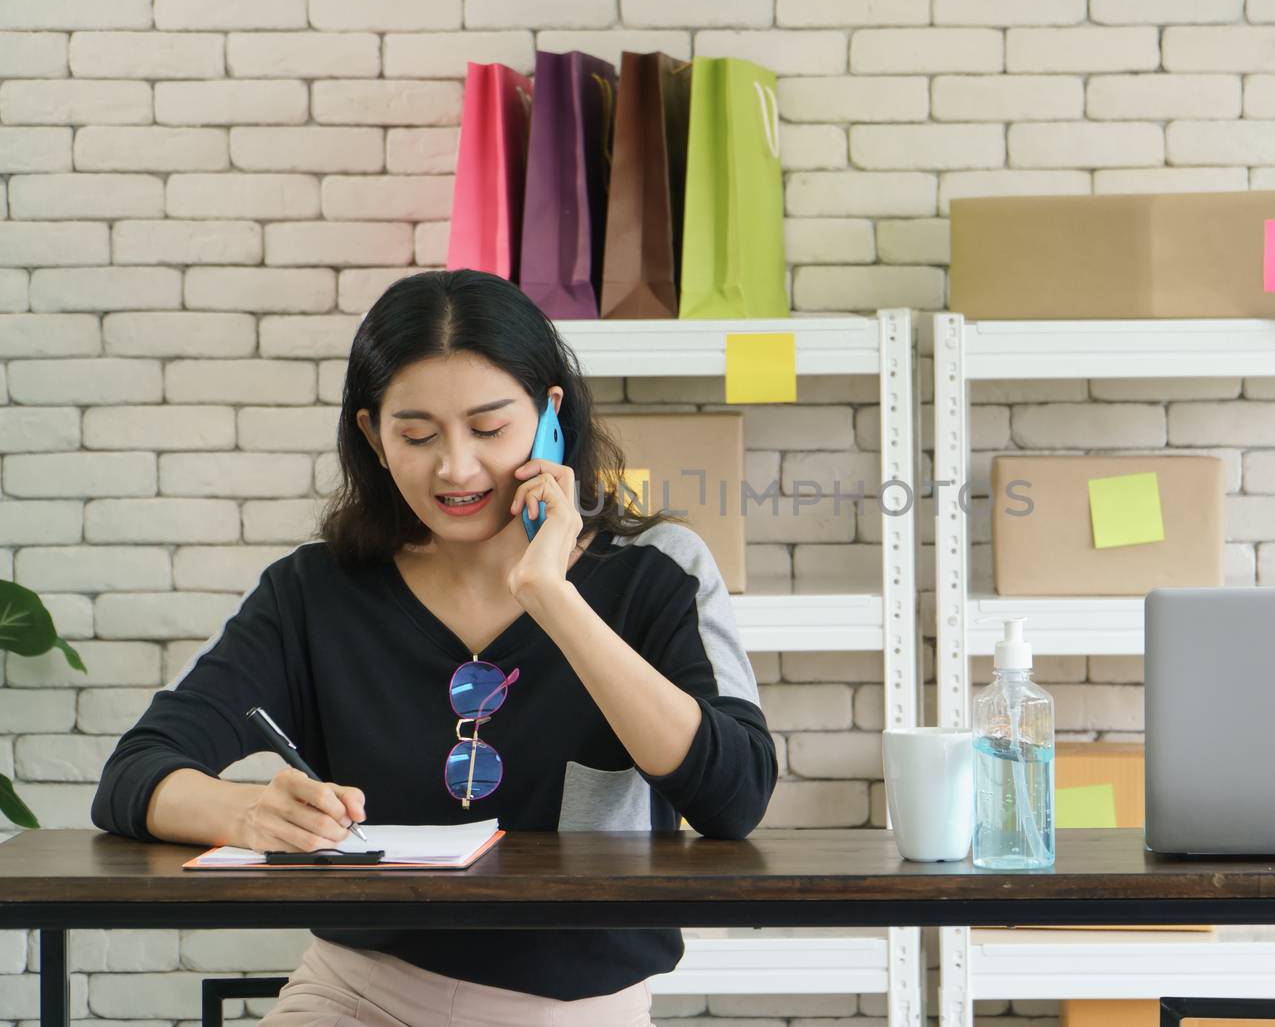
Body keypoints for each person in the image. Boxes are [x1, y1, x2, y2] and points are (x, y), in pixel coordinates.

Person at [91, 268, 778, 1027]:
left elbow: (735, 796)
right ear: (372, 437)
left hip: (571, 1007)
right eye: (417, 435)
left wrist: (550, 592)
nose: (455, 467)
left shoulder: (661, 572)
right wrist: (245, 811)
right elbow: (135, 772)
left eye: (489, 428)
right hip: (356, 993)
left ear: (551, 414)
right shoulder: (313, 590)